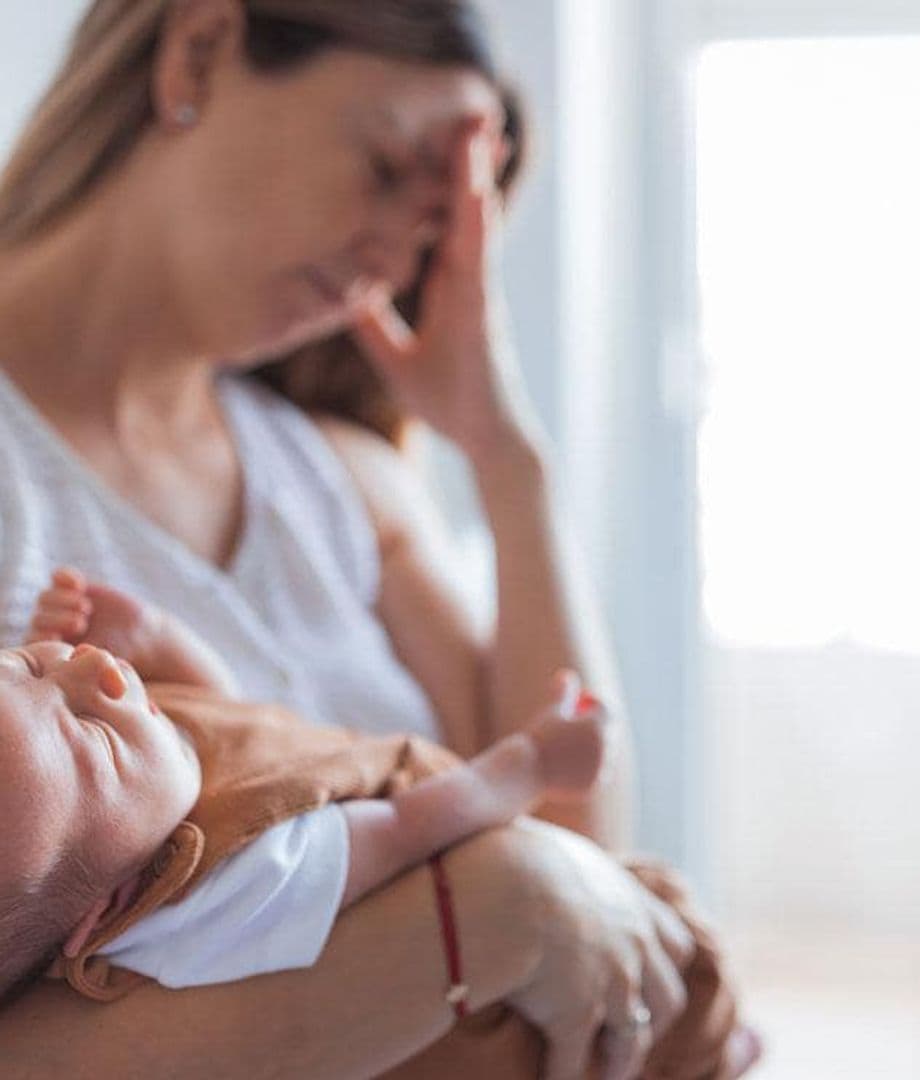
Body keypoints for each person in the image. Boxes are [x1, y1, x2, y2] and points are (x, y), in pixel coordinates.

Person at [0, 1, 760, 1077]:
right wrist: (490, 913)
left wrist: (503, 454)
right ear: (202, 52)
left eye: (438, 227)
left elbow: (582, 853)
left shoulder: (340, 477)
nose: (400, 248)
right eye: (389, 165)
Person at [0, 569, 606, 1002]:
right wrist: (533, 763)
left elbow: (236, 729)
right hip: (494, 866)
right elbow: (411, 825)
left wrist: (158, 640)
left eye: (28, 664)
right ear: (109, 912)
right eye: (91, 729)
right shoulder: (239, 882)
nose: (92, 666)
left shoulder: (138, 801)